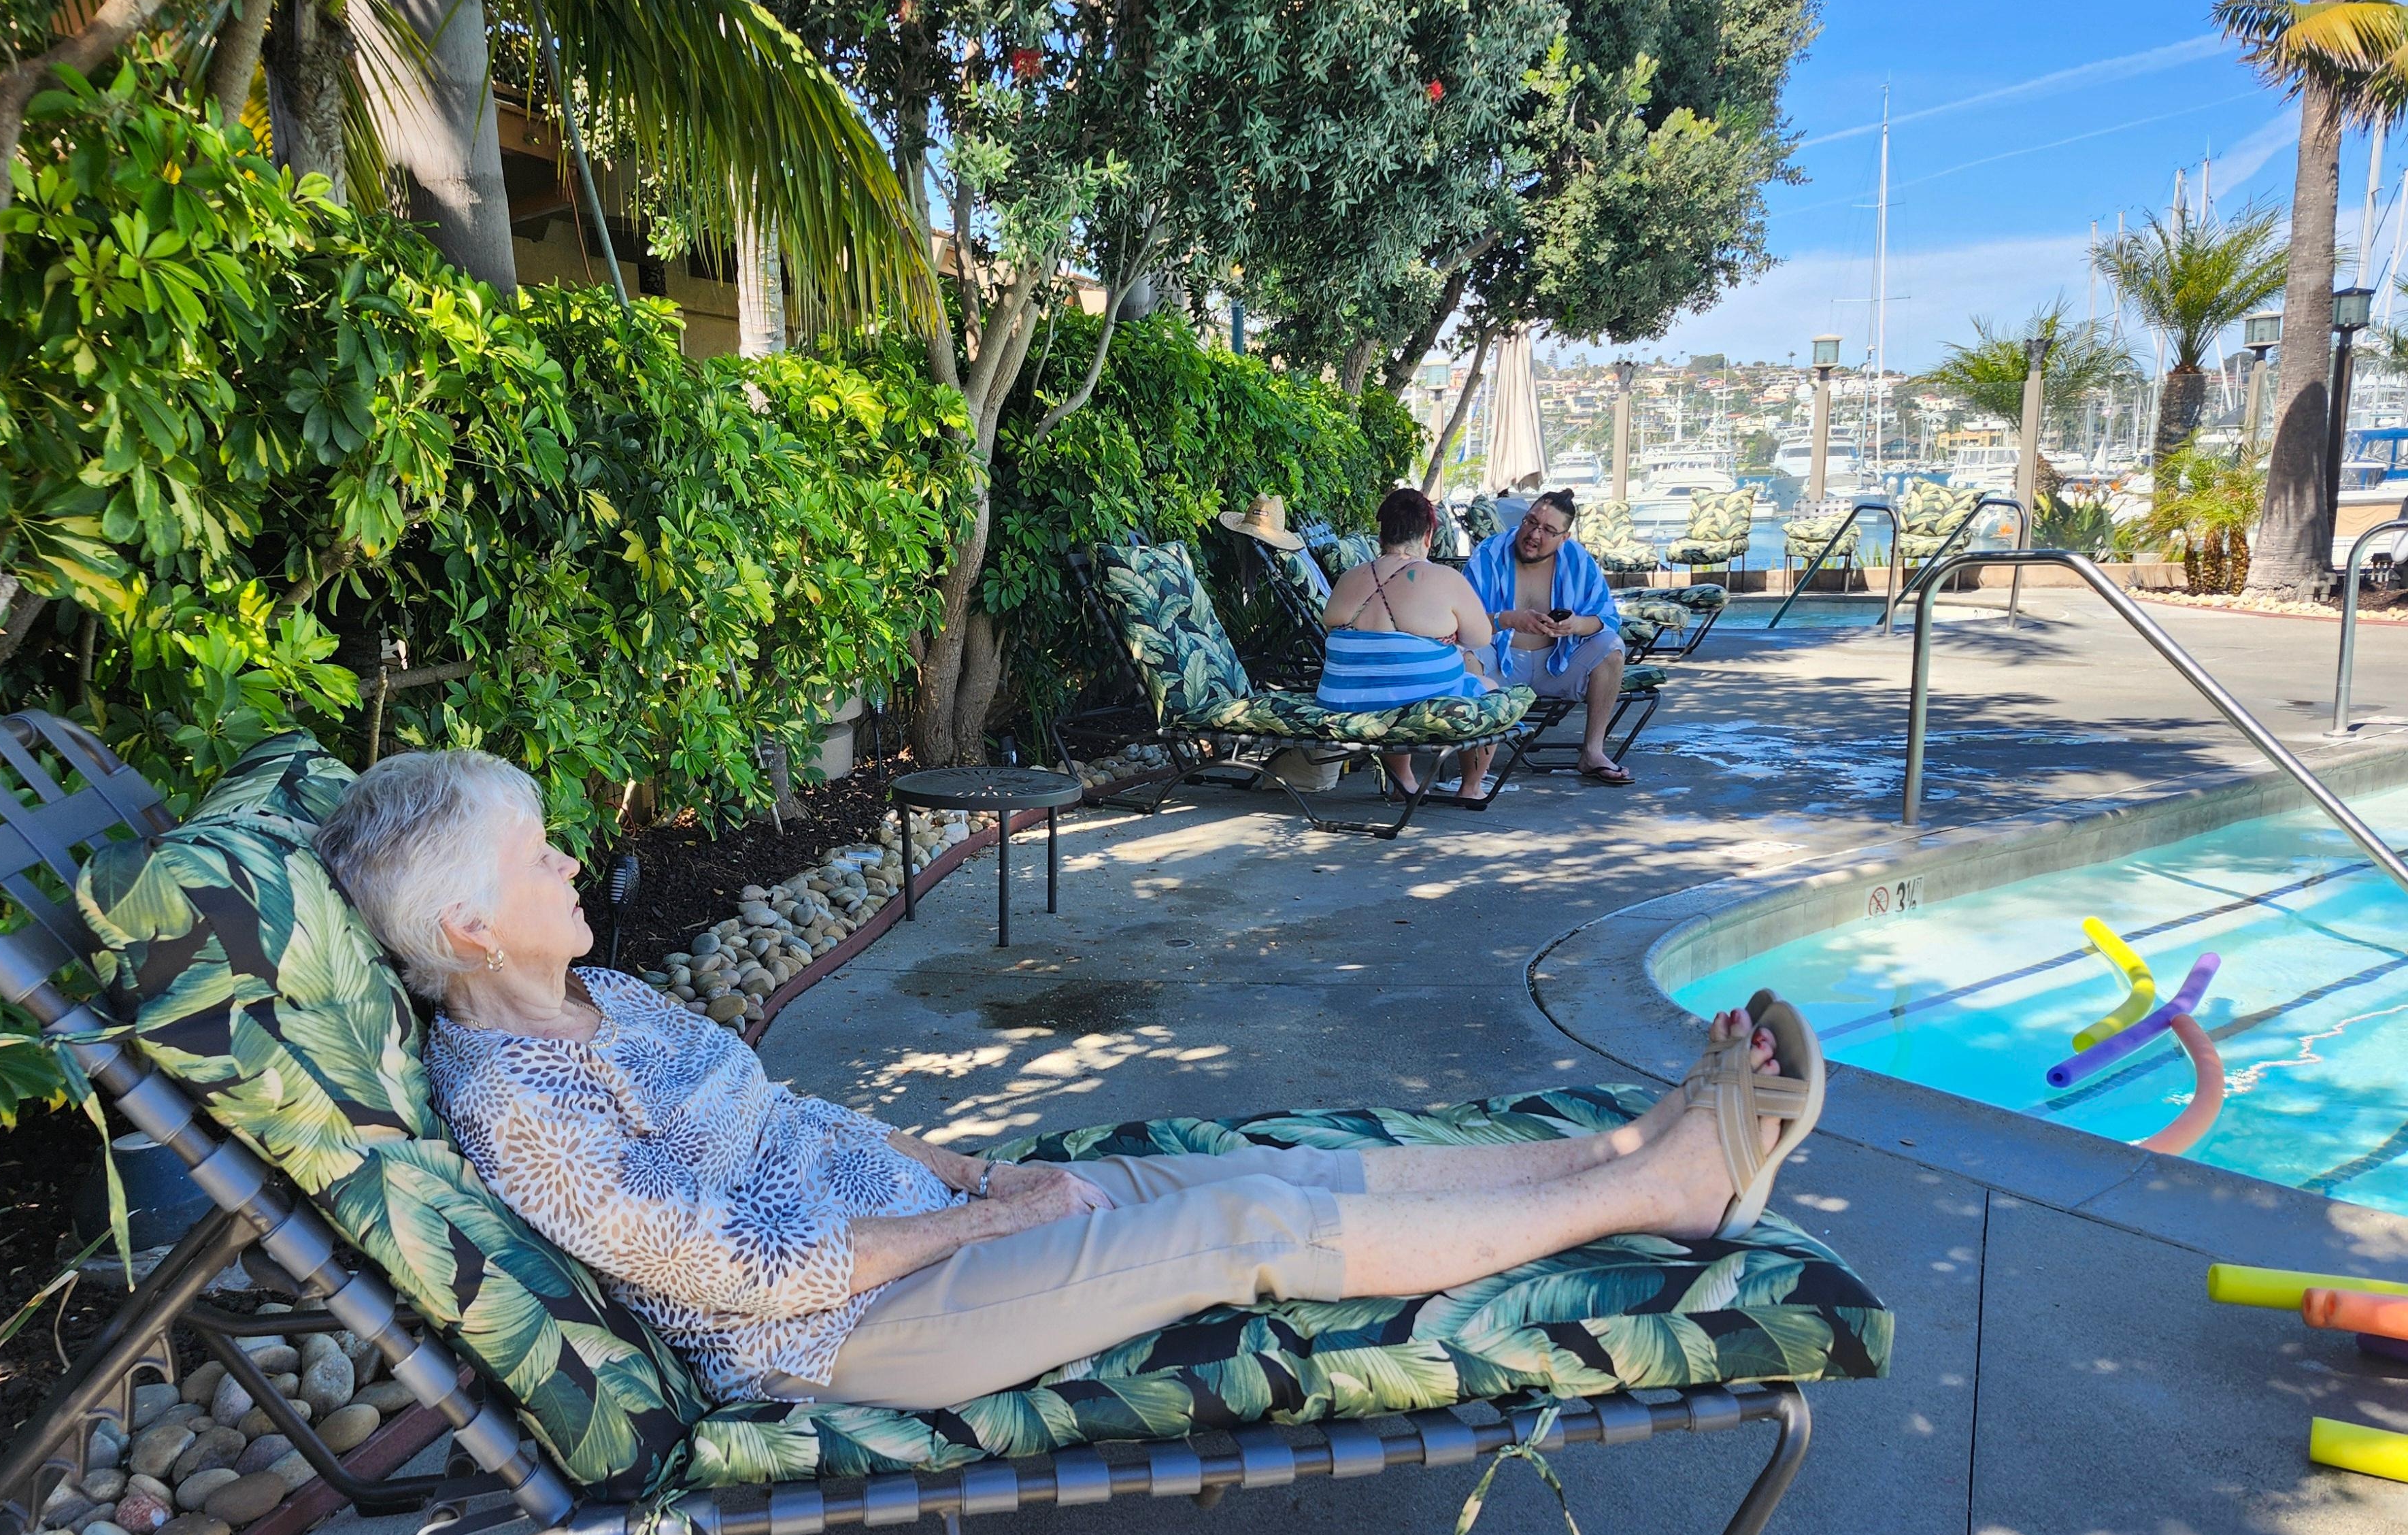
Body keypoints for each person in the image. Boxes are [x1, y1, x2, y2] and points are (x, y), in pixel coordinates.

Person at [314, 750, 1820, 1413]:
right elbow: (744, 1266)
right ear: (464, 922)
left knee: (1275, 1167)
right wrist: (975, 1227)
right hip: (856, 1325)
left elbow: (788, 1116)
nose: (571, 855)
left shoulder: (601, 994)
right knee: (1245, 1227)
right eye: (536, 853)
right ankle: (1664, 1185)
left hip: (915, 1219)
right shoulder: (517, 1100)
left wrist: (967, 1171)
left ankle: (1633, 1136)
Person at [1316, 488, 1499, 798]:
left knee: (1389, 678)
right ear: (1428, 536)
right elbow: (1480, 637)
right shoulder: (1444, 578)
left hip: (1341, 702)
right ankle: (1471, 787)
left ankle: (1405, 782)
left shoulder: (1349, 578)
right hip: (1414, 708)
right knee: (1487, 690)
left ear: (1381, 535)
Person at [1462, 489, 1636, 786]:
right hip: (1500, 666)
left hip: (1558, 664)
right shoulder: (1489, 554)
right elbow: (1462, 624)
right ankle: (1475, 770)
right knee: (1462, 654)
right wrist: (1509, 619)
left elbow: (1608, 619)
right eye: (1530, 522)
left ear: (1564, 538)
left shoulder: (1579, 561)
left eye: (1548, 530)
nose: (1533, 534)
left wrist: (1576, 625)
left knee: (1612, 648)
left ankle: (1593, 752)